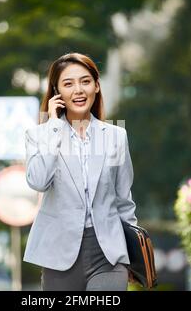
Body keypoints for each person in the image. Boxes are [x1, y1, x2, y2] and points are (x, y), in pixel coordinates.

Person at [24, 52, 138, 291]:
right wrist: (54, 127)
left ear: (97, 86)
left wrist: (132, 257)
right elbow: (38, 181)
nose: (78, 90)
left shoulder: (116, 136)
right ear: (57, 92)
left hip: (108, 253)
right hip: (59, 255)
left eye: (85, 81)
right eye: (68, 84)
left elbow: (124, 201)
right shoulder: (39, 135)